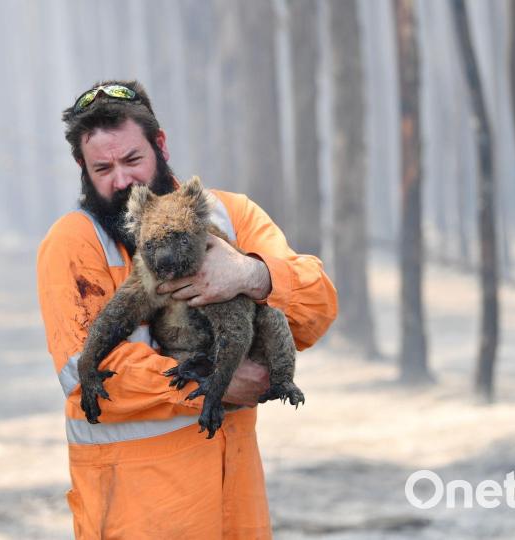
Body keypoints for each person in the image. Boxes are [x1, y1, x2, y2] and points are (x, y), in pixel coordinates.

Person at [36, 80, 337, 539]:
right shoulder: (74, 243)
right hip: (135, 516)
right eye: (102, 167)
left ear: (160, 144)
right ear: (82, 167)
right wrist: (209, 384)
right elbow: (84, 372)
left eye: (133, 160)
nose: (121, 180)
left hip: (236, 507)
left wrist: (251, 275)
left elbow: (317, 307)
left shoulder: (229, 215)